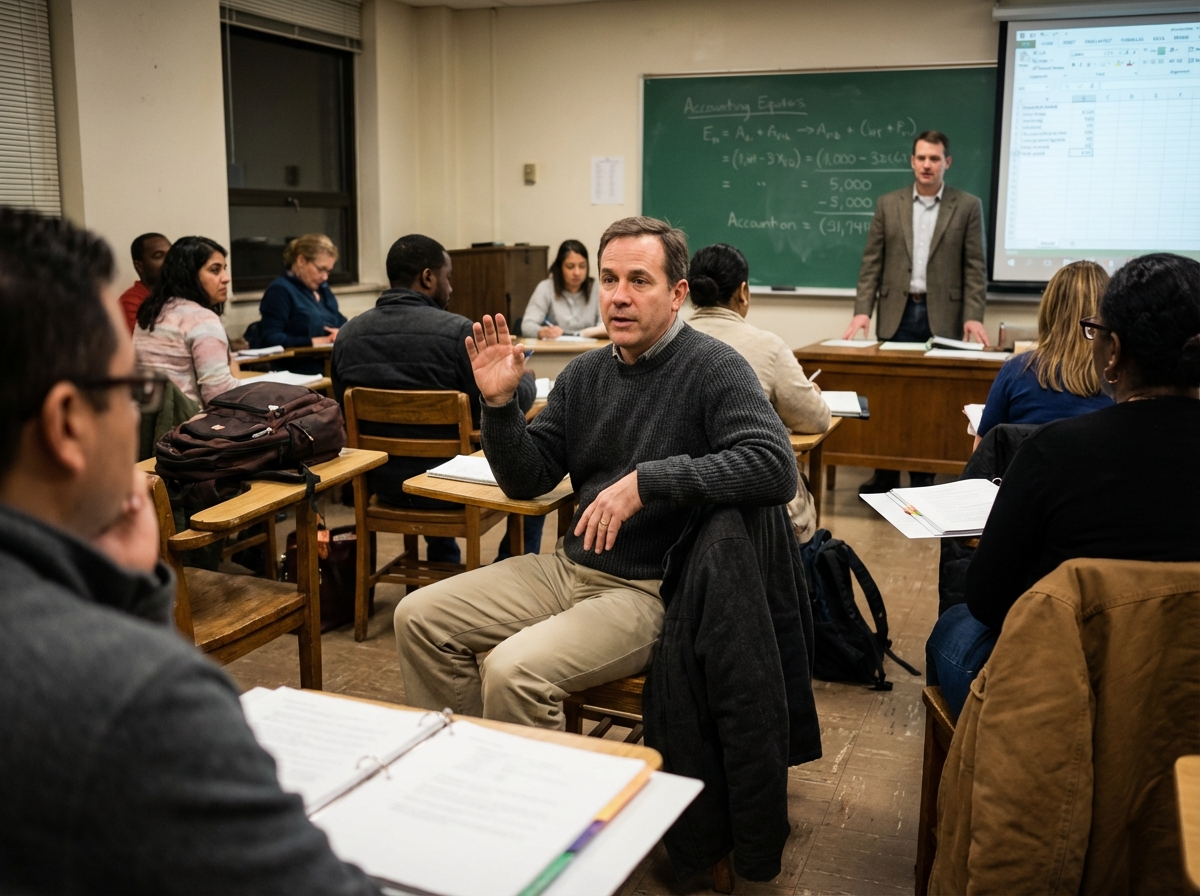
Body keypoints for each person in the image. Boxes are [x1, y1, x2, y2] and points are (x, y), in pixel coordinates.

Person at [0, 207, 379, 894]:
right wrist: (143, 615)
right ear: (65, 424)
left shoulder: (154, 316)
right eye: (133, 391)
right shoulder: (133, 697)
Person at [393, 216, 797, 729]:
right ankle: (467, 773)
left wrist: (648, 483)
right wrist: (498, 407)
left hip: (646, 591)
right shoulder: (585, 374)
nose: (618, 296)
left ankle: (542, 807)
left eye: (639, 280)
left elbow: (775, 465)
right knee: (418, 618)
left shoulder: (714, 366)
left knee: (512, 671)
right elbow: (528, 479)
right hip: (569, 569)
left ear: (677, 294)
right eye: (609, 280)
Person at [926, 252, 1200, 715]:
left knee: (950, 631)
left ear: (1112, 353)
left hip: (1062, 691)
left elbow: (988, 599)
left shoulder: (1053, 454)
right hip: (1186, 685)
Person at [332, 234, 543, 564]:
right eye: (449, 277)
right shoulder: (458, 333)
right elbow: (496, 403)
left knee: (426, 448)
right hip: (449, 485)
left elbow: (341, 410)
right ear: (428, 277)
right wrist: (526, 379)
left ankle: (443, 561)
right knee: (539, 474)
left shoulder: (347, 336)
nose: (452, 288)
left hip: (382, 484)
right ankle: (508, 569)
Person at [844, 130, 988, 493]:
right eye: (921, 158)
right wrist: (863, 311)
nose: (927, 165)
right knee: (886, 394)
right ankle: (885, 473)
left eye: (935, 159)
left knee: (933, 397)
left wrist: (973, 315)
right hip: (896, 310)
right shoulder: (888, 204)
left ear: (947, 163)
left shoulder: (967, 205)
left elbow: (975, 267)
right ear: (912, 161)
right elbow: (870, 263)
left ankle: (924, 475)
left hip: (944, 315)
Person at [685, 242, 831, 542]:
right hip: (752, 508)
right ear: (743, 292)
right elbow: (815, 420)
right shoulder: (768, 346)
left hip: (677, 502)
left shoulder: (664, 338)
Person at [976, 260, 1113, 444]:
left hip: (1027, 473)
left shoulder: (1017, 371)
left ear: (1049, 308)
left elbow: (983, 455)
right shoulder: (1120, 379)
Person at [133, 236, 242, 407]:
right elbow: (219, 395)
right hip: (190, 426)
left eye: (224, 269)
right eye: (215, 270)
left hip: (148, 425)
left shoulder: (150, 311)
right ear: (189, 275)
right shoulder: (201, 318)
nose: (226, 278)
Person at [257, 233, 348, 374]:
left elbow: (340, 320)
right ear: (301, 260)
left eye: (328, 271)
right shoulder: (280, 291)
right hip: (298, 370)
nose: (325, 277)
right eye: (320, 269)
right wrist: (314, 341)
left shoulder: (322, 289)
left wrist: (341, 332)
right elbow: (271, 338)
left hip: (330, 365)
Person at [520, 239, 604, 339]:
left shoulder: (596, 287)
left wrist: (587, 333)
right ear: (560, 268)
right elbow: (527, 325)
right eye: (570, 266)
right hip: (557, 349)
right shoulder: (546, 287)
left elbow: (605, 325)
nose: (577, 272)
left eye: (582, 266)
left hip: (592, 349)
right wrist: (541, 332)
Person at [118, 232, 171, 333]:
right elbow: (146, 343)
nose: (169, 261)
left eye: (171, 254)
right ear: (139, 266)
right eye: (158, 256)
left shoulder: (180, 293)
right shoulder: (130, 302)